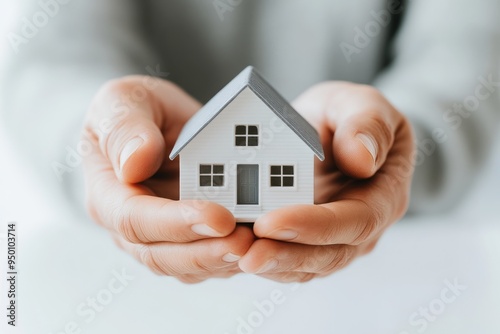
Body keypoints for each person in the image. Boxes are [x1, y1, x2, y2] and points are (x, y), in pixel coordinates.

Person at [1, 0, 499, 283]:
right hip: (123, 287)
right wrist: (98, 136)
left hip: (405, 274)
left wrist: (399, 136)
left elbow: (468, 52)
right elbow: (55, 54)